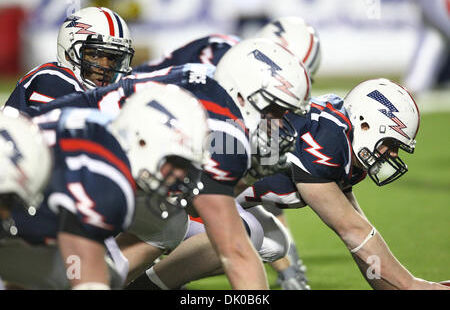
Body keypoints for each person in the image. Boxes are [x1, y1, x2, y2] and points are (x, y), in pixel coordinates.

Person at [30, 37, 311, 289]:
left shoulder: (211, 88)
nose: (278, 125)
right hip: (56, 162)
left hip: (86, 156)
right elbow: (234, 250)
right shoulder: (225, 125)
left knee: (167, 224)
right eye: (274, 110)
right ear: (242, 95)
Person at [126, 78, 450, 290]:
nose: (390, 154)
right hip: (184, 189)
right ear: (366, 123)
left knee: (273, 241)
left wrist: (401, 287)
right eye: (390, 143)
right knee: (246, 234)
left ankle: (151, 280)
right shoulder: (329, 139)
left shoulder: (341, 141)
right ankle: (141, 283)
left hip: (210, 191)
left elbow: (359, 236)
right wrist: (412, 285)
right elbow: (352, 231)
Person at [131, 16, 321, 290]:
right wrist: (288, 267)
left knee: (263, 236)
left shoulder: (232, 59)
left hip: (162, 148)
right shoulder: (228, 89)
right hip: (144, 149)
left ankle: (145, 279)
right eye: (279, 105)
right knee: (174, 222)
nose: (282, 117)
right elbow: (219, 182)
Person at [0, 84, 211, 289]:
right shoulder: (103, 174)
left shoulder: (111, 156)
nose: (181, 175)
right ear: (142, 142)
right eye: (176, 162)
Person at [4, 6, 134, 113]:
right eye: (95, 56)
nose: (106, 66)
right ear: (68, 55)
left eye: (113, 58)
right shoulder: (51, 80)